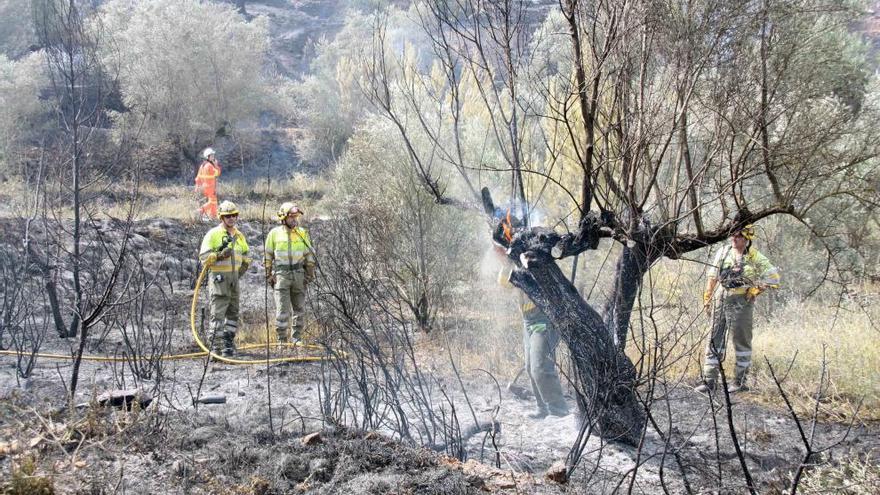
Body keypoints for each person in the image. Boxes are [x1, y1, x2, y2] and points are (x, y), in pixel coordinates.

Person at [696, 224, 780, 393]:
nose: (734, 239)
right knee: (714, 338)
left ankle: (739, 382)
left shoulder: (755, 256)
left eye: (739, 236)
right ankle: (709, 380)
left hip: (742, 300)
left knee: (741, 340)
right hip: (721, 297)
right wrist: (708, 297)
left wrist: (755, 290)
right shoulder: (723, 252)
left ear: (747, 239)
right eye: (733, 235)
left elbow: (773, 277)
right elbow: (712, 276)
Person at [495, 245, 569, 419]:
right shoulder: (517, 265)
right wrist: (507, 262)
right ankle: (543, 408)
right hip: (528, 320)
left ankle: (558, 411)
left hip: (544, 318)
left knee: (540, 367)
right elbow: (503, 282)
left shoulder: (536, 261)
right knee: (530, 367)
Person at [199, 200, 250, 357]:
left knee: (233, 314)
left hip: (234, 281)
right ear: (221, 217)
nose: (231, 219)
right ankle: (216, 348)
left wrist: (238, 273)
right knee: (218, 315)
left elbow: (246, 257)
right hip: (219, 282)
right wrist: (220, 255)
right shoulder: (213, 234)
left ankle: (228, 345)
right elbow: (204, 257)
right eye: (228, 216)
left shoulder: (239, 236)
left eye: (234, 215)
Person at [264, 202, 316, 344]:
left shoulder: (302, 233)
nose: (294, 219)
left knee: (299, 309)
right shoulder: (274, 234)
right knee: (282, 311)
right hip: (282, 276)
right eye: (292, 217)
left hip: (299, 275)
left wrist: (309, 273)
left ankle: (297, 339)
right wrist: (269, 275)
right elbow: (268, 256)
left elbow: (309, 255)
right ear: (283, 217)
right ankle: (282, 341)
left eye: (296, 216)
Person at [195, 147, 222, 220]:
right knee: (212, 201)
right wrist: (215, 164)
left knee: (214, 201)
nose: (213, 157)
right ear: (207, 157)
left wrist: (197, 187)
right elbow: (218, 173)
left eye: (213, 155)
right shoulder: (210, 165)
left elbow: (198, 178)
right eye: (212, 155)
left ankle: (213, 216)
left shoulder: (202, 166)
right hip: (210, 187)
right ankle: (200, 210)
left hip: (204, 187)